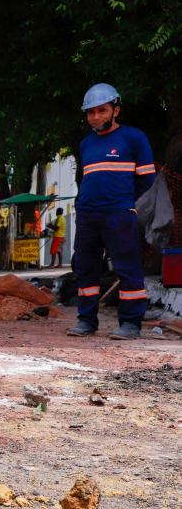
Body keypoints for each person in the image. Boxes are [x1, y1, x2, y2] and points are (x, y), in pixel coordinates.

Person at [67, 83, 155, 340]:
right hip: (87, 215)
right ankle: (86, 320)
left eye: (102, 111)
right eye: (91, 112)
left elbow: (147, 181)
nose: (96, 117)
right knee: (85, 268)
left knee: (127, 267)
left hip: (119, 214)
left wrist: (127, 204)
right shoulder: (86, 144)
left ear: (115, 110)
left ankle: (130, 323)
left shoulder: (134, 138)